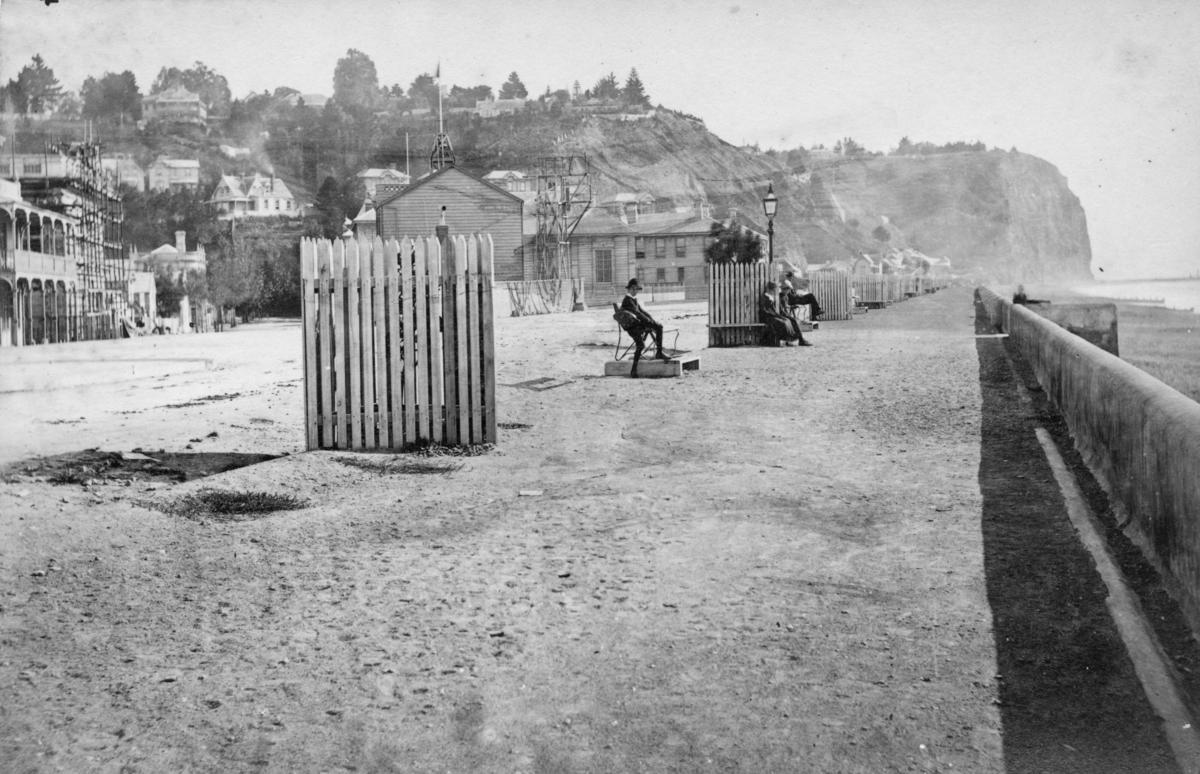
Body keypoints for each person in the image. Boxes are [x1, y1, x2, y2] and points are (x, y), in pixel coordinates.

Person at [620, 278, 669, 376]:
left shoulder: (633, 300)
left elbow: (642, 311)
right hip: (633, 327)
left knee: (657, 327)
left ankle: (635, 369)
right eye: (633, 289)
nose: (634, 291)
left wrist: (652, 320)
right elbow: (637, 313)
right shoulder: (627, 300)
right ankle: (658, 353)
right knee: (658, 329)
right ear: (629, 289)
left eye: (636, 289)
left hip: (636, 325)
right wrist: (649, 321)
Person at [760, 281, 811, 346]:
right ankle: (788, 340)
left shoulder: (773, 297)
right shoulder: (766, 297)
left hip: (774, 315)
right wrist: (778, 316)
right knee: (784, 322)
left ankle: (797, 339)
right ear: (769, 289)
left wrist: (779, 315)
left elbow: (775, 309)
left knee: (789, 320)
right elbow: (767, 310)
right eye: (773, 289)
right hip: (768, 317)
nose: (774, 291)